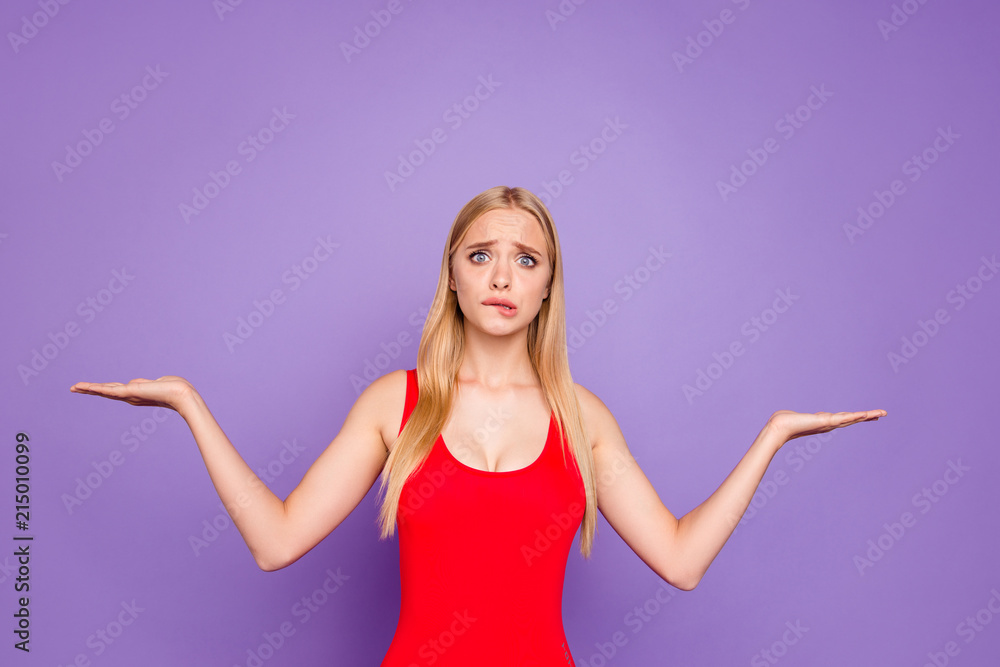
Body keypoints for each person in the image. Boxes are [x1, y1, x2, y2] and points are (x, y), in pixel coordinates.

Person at [71, 185, 886, 665]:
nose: (502, 275)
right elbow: (275, 540)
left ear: (545, 288)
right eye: (480, 254)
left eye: (525, 259)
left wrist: (771, 437)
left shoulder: (582, 415)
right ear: (453, 278)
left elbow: (679, 559)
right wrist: (189, 405)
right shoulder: (395, 403)